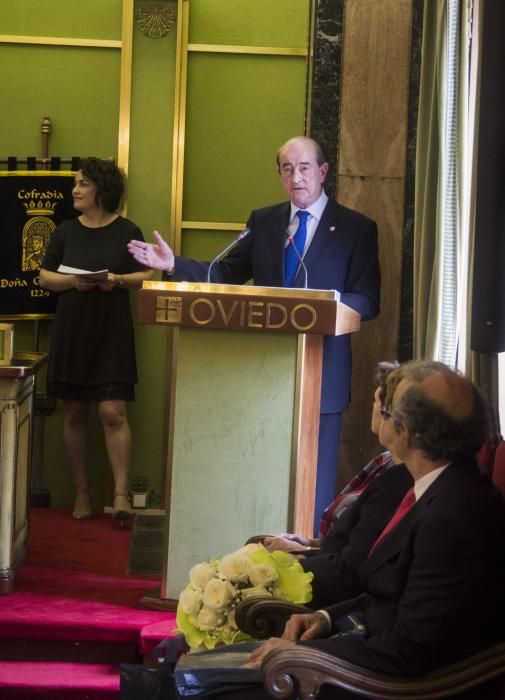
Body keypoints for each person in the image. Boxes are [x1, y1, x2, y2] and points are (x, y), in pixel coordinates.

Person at [128, 136, 381, 532]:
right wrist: (173, 263)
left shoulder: (355, 228)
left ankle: (307, 565)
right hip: (262, 371)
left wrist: (331, 303)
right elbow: (224, 273)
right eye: (287, 169)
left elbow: (368, 299)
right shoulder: (264, 222)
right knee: (261, 474)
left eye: (304, 168)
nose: (296, 177)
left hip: (323, 373)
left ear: (323, 171)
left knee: (312, 486)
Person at [223, 361, 505, 699]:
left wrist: (300, 655)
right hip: (361, 654)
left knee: (195, 685)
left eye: (389, 410)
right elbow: (389, 593)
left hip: (386, 685)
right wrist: (326, 618)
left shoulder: (453, 516)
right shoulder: (442, 487)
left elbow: (409, 651)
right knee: (190, 672)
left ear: (406, 433)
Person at [40, 158, 153, 521]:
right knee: (73, 411)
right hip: (73, 327)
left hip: (111, 329)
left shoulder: (126, 230)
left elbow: (148, 273)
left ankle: (120, 495)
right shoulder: (65, 232)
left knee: (112, 411)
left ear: (102, 190)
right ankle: (82, 493)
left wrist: (118, 280)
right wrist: (74, 282)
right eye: (76, 182)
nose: (75, 189)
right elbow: (44, 276)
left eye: (83, 183)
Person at [263, 361, 400, 555]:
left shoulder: (397, 481)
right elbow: (344, 540)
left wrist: (303, 551)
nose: (375, 408)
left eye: (376, 401)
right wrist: (308, 541)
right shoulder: (383, 461)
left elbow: (355, 561)